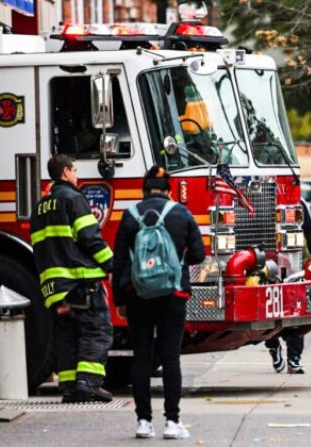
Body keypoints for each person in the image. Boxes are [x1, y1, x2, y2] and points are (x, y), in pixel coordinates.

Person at [112, 166, 205, 440]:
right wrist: (176, 264)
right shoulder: (181, 214)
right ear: (168, 189)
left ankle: (143, 422)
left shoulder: (130, 216)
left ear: (144, 188)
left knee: (141, 355)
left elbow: (119, 262)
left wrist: (120, 299)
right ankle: (172, 422)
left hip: (137, 294)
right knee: (170, 356)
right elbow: (198, 255)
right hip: (173, 295)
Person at [30, 154, 114, 403]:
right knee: (96, 330)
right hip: (80, 282)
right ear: (65, 172)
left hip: (55, 288)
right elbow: (90, 237)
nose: (77, 176)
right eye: (75, 170)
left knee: (67, 336)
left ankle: (69, 387)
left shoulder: (40, 207)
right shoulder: (74, 199)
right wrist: (111, 264)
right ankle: (88, 383)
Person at [265, 198, 311, 374]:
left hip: (293, 267)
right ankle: (274, 348)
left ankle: (294, 358)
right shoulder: (248, 200)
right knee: (265, 317)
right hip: (263, 267)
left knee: (296, 314)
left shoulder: (298, 201)